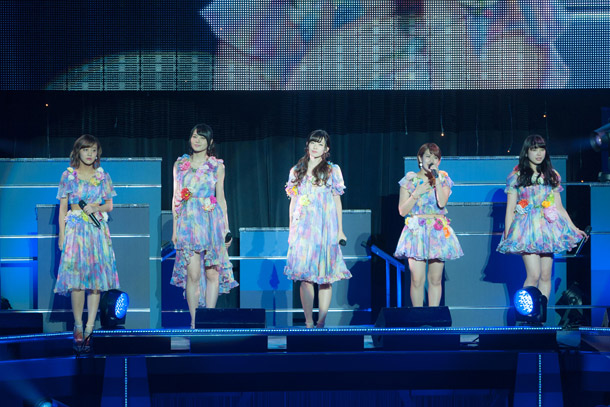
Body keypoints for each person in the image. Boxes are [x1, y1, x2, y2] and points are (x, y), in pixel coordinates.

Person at [497, 134, 587, 300]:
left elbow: (559, 207)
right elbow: (510, 209)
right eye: (534, 149)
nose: (539, 153)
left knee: (546, 276)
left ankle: (542, 311)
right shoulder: (516, 176)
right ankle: (527, 311)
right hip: (527, 228)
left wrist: (574, 228)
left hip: (547, 227)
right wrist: (509, 236)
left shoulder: (552, 175)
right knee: (534, 275)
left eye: (542, 149)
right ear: (526, 152)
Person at [55, 134, 120, 352]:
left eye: (93, 150)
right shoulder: (68, 176)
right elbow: (62, 209)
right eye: (86, 150)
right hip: (75, 230)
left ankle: (90, 327)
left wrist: (96, 207)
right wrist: (62, 235)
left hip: (96, 230)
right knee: (77, 281)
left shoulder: (103, 176)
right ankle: (78, 325)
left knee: (95, 282)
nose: (90, 154)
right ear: (78, 151)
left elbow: (109, 205)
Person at [170, 124, 238, 329]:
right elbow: (176, 198)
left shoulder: (217, 166)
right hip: (188, 222)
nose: (197, 140)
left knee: (212, 273)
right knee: (193, 274)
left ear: (210, 142)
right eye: (194, 136)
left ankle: (208, 319)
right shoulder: (180, 165)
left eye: (201, 137)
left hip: (210, 222)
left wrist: (226, 229)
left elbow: (221, 198)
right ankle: (194, 322)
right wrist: (175, 228)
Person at [284, 130, 352, 328]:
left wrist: (340, 230)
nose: (315, 147)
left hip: (325, 229)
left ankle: (321, 322)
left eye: (320, 144)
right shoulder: (297, 170)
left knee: (325, 278)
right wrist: (291, 229)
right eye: (313, 143)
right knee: (305, 278)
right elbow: (293, 202)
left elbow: (337, 201)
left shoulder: (332, 170)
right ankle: (308, 323)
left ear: (326, 149)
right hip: (303, 230)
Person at [394, 143, 463, 307]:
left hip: (437, 231)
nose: (431, 160)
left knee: (435, 279)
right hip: (416, 231)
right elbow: (402, 211)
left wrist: (436, 179)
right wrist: (415, 194)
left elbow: (442, 202)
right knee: (417, 279)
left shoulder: (444, 179)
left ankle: (433, 316)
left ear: (439, 161)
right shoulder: (409, 181)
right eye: (428, 156)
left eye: (435, 157)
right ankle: (418, 316)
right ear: (420, 158)